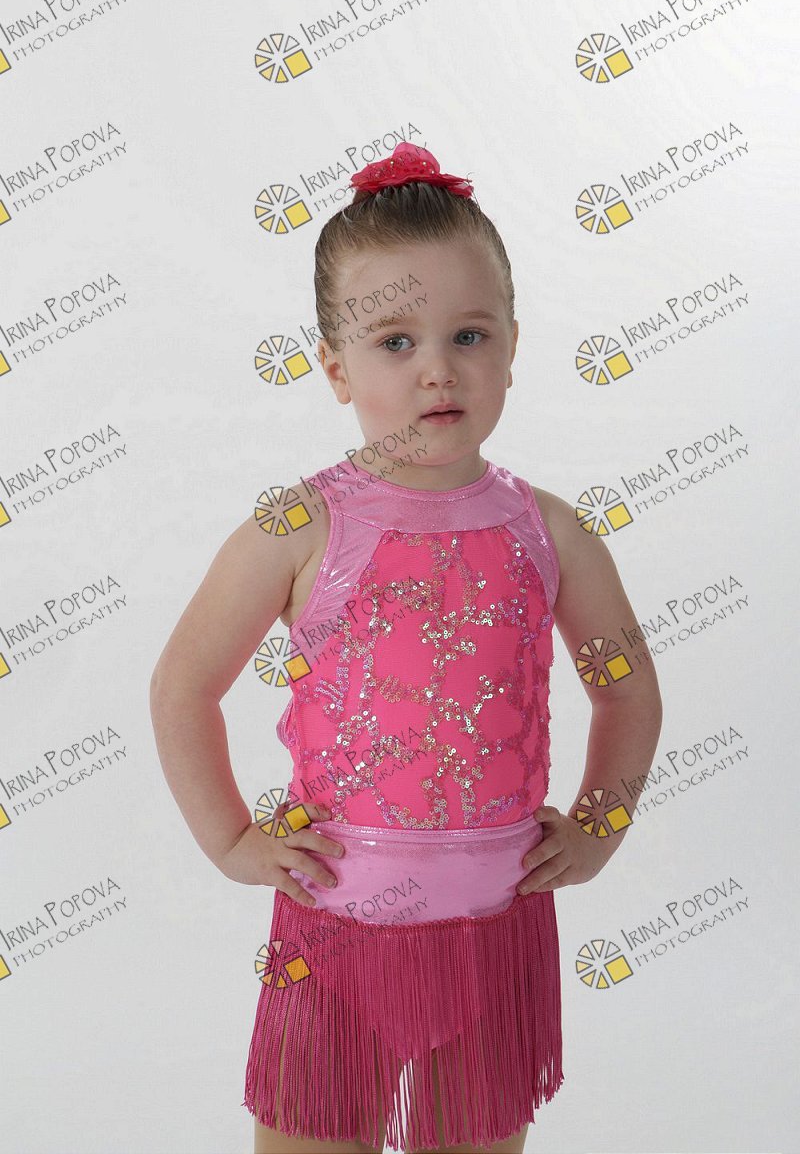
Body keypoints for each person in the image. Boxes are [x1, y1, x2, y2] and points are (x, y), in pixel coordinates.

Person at [149, 142, 663, 1154]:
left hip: (496, 927)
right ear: (335, 366)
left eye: (468, 334)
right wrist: (230, 841)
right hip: (335, 926)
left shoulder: (550, 531)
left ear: (511, 347)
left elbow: (627, 691)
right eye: (394, 341)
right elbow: (183, 685)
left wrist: (599, 827)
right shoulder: (300, 526)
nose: (437, 367)